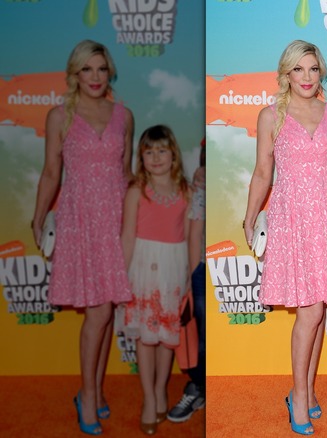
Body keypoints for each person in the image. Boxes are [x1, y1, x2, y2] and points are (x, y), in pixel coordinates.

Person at [243, 40, 327, 436]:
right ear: (286, 73)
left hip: (326, 220)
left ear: (322, 72)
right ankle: (299, 396)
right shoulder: (271, 116)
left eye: (313, 69)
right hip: (291, 222)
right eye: (298, 70)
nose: (306, 77)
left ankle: (306, 390)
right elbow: (262, 172)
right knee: (310, 313)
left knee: (317, 313)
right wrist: (250, 216)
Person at [32, 40, 134, 436]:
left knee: (106, 312)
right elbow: (50, 173)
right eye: (86, 70)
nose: (94, 77)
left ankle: (95, 390)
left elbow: (125, 175)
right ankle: (87, 395)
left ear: (110, 72)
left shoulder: (123, 115)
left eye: (101, 69)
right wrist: (39, 217)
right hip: (79, 223)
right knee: (98, 312)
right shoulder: (59, 116)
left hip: (114, 221)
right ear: (74, 74)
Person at [120, 125, 190, 435]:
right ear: (141, 157)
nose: (156, 157)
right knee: (145, 338)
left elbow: (189, 237)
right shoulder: (136, 190)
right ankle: (149, 399)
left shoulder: (186, 191)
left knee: (166, 337)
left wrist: (188, 276)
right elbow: (127, 236)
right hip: (142, 270)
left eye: (162, 150)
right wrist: (121, 277)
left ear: (173, 154)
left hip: (173, 269)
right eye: (149, 151)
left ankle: (161, 389)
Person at [167, 139, 206, 423]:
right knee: (199, 337)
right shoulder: (200, 188)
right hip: (202, 271)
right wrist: (194, 275)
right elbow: (194, 234)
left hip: (233, 267)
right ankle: (198, 387)